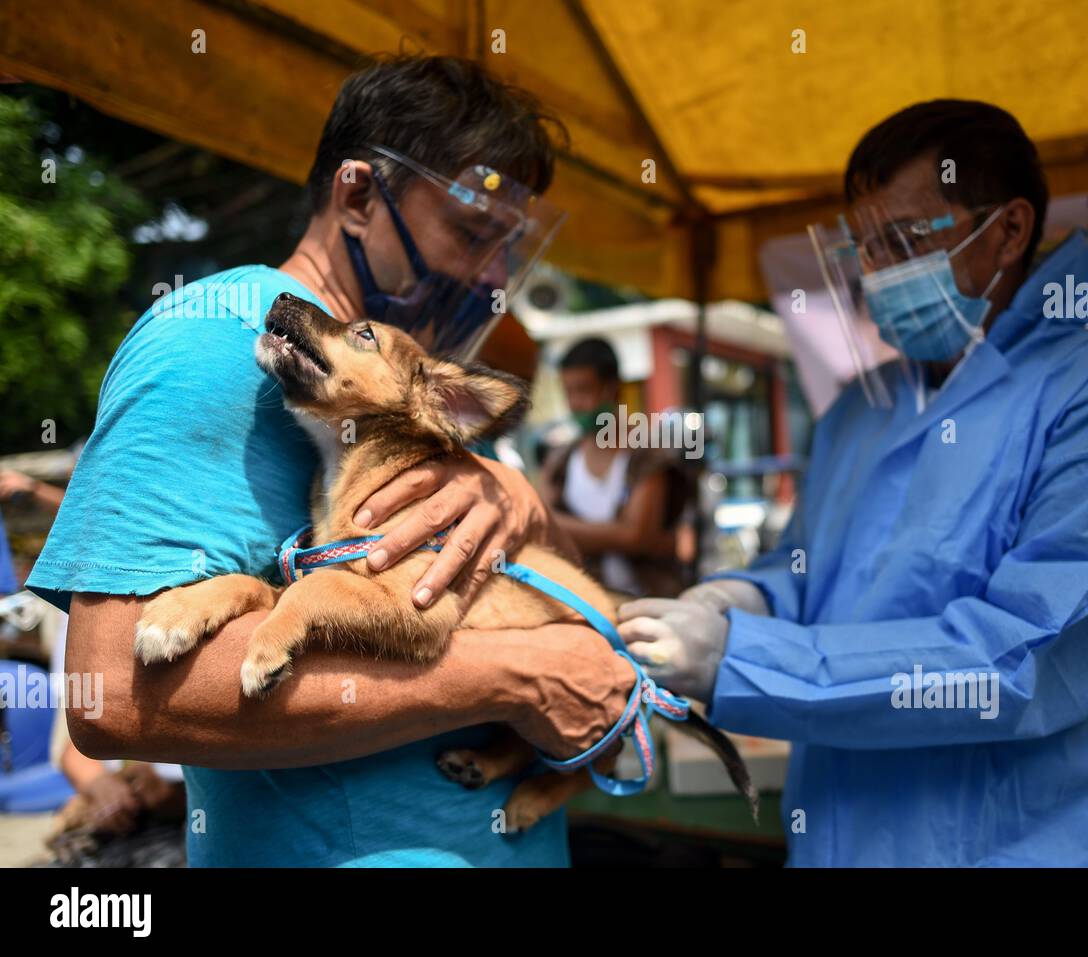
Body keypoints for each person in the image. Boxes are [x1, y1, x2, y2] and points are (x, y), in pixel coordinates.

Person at [26, 56, 639, 867]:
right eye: (470, 233)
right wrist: (515, 675)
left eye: (505, 246)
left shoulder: (415, 376)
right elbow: (106, 696)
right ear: (357, 196)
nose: (493, 277)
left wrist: (518, 494)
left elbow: (540, 587)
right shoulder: (209, 348)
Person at [617, 100, 1088, 866]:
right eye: (866, 247)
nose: (880, 271)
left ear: (1008, 229)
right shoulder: (860, 409)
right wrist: (738, 599)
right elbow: (809, 571)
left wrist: (741, 658)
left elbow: (1019, 658)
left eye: (905, 240)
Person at [541, 337, 692, 597]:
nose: (575, 403)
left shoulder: (648, 455)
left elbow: (637, 537)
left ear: (612, 389)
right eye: (569, 392)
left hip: (650, 602)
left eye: (584, 390)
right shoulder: (561, 461)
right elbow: (541, 527)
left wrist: (557, 526)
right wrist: (617, 533)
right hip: (588, 605)